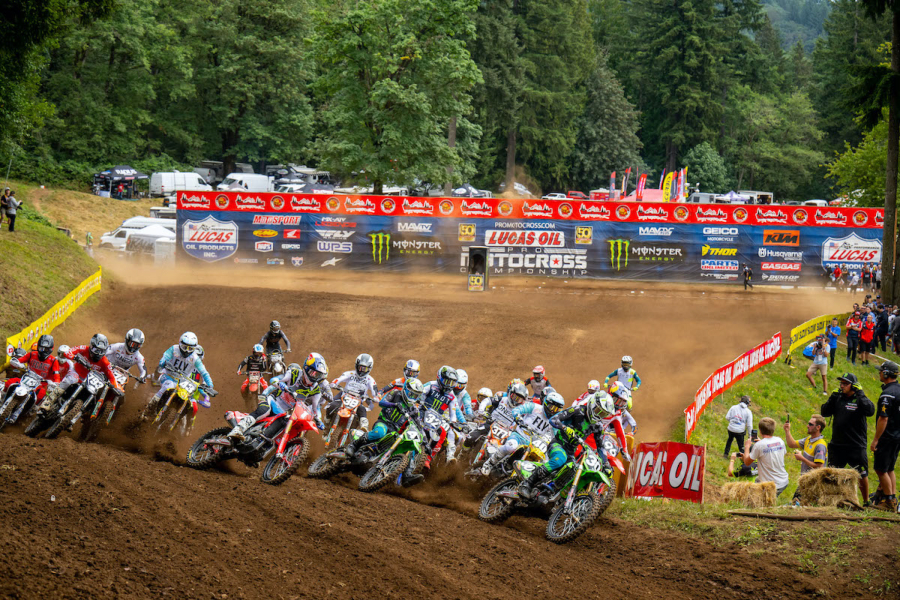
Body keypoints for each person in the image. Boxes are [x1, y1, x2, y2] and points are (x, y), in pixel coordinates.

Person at [517, 393, 616, 500]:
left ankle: (548, 491)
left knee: (573, 469)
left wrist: (606, 464)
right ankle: (527, 484)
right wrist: (565, 428)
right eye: (598, 411)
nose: (599, 415)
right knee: (560, 459)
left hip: (570, 452)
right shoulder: (578, 410)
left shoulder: (598, 426)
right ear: (592, 404)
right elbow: (554, 419)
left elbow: (601, 447)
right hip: (558, 443)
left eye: (603, 414)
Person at [338, 378, 425, 486]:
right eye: (411, 394)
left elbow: (418, 424)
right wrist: (394, 405)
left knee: (410, 448)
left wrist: (424, 438)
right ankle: (353, 445)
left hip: (396, 432)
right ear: (406, 389)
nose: (413, 397)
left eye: (416, 396)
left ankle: (407, 475)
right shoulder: (396, 393)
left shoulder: (414, 409)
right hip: (383, 422)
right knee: (380, 433)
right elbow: (382, 402)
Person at [228, 352, 329, 441]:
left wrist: (318, 420)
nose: (315, 377)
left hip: (283, 412)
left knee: (284, 427)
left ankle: (259, 445)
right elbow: (274, 380)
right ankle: (238, 429)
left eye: (318, 375)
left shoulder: (316, 391)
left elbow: (316, 409)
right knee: (264, 410)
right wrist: (281, 384)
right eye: (314, 373)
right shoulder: (294, 373)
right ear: (306, 368)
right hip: (272, 400)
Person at [821, 373, 876, 506]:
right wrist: (832, 397)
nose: (842, 385)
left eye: (845, 383)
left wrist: (861, 393)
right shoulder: (838, 397)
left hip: (856, 445)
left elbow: (870, 411)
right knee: (832, 474)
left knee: (862, 474)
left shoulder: (859, 399)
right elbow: (824, 412)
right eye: (841, 383)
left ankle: (866, 501)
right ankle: (830, 500)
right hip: (838, 444)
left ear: (854, 386)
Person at [480, 390, 564, 475]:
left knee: (542, 462)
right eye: (552, 407)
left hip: (534, 445)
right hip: (519, 436)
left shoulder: (554, 421)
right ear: (546, 403)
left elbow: (556, 436)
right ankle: (490, 463)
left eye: (557, 409)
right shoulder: (534, 407)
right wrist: (518, 418)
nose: (553, 411)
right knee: (511, 446)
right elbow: (517, 410)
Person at [145, 332, 213, 418]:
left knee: (185, 397)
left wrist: (210, 385)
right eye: (184, 347)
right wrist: (163, 363)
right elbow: (165, 357)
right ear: (180, 343)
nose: (187, 351)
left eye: (190, 348)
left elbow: (204, 373)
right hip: (167, 375)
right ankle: (147, 411)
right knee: (168, 385)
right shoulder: (174, 349)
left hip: (182, 382)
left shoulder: (195, 358)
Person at [1, 334, 61, 409]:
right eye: (41, 348)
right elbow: (18, 361)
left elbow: (56, 375)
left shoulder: (53, 360)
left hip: (40, 384)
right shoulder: (32, 354)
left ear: (50, 349)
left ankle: (32, 410)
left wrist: (56, 383)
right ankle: (2, 399)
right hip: (26, 379)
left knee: (41, 395)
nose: (42, 351)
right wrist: (17, 363)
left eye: (45, 349)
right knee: (9, 382)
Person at [871, 361, 900, 511]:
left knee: (881, 469)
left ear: (887, 373)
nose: (879, 373)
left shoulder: (887, 394)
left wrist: (876, 439)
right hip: (897, 436)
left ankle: (888, 502)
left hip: (887, 436)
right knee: (890, 469)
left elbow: (883, 418)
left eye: (881, 371)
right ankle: (892, 498)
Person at [325, 353, 378, 432]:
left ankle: (364, 427)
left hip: (358, 402)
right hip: (344, 397)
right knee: (331, 406)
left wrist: (376, 398)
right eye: (360, 367)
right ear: (356, 365)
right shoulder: (350, 374)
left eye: (364, 369)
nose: (361, 370)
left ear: (369, 368)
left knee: (362, 411)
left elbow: (375, 393)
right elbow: (339, 379)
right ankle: (327, 425)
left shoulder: (370, 380)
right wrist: (334, 383)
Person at [784, 414, 828, 505]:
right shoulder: (808, 439)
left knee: (797, 506)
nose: (807, 426)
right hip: (805, 482)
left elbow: (819, 467)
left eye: (810, 424)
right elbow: (791, 444)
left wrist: (802, 459)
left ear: (818, 427)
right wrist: (787, 431)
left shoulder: (820, 445)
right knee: (795, 504)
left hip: (813, 484)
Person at [742, 417, 789, 496]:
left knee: (762, 502)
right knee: (757, 481)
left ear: (760, 431)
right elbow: (776, 452)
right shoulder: (780, 440)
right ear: (773, 429)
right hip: (783, 480)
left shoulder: (759, 445)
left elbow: (747, 462)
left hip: (771, 485)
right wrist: (763, 443)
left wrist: (747, 447)